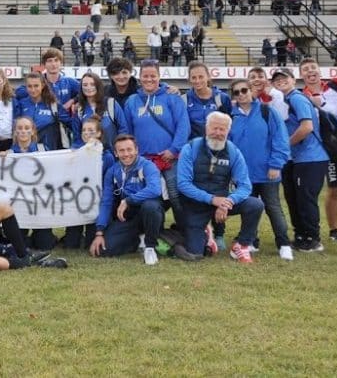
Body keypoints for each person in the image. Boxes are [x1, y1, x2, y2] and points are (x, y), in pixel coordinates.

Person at [176, 113, 264, 262]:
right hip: (195, 205)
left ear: (228, 131)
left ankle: (242, 245)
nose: (217, 133)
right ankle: (207, 234)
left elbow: (245, 185)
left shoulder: (234, 152)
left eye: (222, 129)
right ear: (206, 128)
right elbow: (183, 184)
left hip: (222, 201)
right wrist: (212, 199)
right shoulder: (190, 148)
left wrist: (228, 202)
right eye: (214, 128)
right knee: (195, 254)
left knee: (255, 204)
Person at [227, 79, 294, 259]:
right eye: (236, 92)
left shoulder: (267, 111)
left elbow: (280, 138)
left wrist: (276, 164)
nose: (241, 94)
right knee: (249, 209)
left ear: (251, 90)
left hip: (267, 172)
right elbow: (229, 146)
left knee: (273, 208)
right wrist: (232, 171)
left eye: (244, 90)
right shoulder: (231, 117)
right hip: (244, 174)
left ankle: (284, 244)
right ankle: (250, 241)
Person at [123, 61, 190, 226]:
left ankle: (185, 230)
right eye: (145, 76)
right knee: (150, 197)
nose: (149, 79)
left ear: (159, 76)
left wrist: (173, 150)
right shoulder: (132, 101)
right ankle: (152, 230)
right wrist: (133, 155)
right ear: (139, 77)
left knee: (176, 195)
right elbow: (128, 132)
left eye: (153, 76)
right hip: (144, 160)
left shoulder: (172, 97)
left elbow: (183, 125)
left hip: (170, 158)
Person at [271, 67, 330, 252]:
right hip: (300, 158)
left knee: (305, 199)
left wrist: (285, 145)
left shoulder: (296, 98)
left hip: (310, 157)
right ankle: (302, 235)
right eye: (277, 79)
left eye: (284, 77)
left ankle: (312, 239)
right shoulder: (288, 99)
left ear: (293, 79)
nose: (281, 81)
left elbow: (307, 127)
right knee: (297, 198)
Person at [89, 135, 164, 264]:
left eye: (129, 149)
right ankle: (137, 240)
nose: (126, 154)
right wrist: (99, 232)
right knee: (103, 250)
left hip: (150, 213)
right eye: (121, 151)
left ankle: (150, 247)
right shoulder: (112, 171)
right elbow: (106, 201)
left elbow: (155, 189)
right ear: (116, 153)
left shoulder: (148, 165)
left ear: (136, 150)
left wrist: (128, 200)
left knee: (150, 206)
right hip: (128, 216)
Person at [300, 56, 337, 243]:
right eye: (306, 69)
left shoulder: (336, 87)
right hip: (330, 151)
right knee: (334, 189)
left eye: (313, 67)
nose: (310, 71)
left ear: (320, 70)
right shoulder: (301, 97)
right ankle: (334, 231)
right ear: (301, 75)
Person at [14, 71, 70, 151]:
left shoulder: (53, 105)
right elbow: (15, 127)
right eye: (29, 86)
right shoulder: (21, 104)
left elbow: (70, 123)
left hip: (48, 152)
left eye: (36, 86)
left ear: (42, 85)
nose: (33, 90)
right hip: (26, 152)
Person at [184, 61, 231, 139]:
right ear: (189, 79)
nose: (197, 81)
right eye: (194, 78)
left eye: (201, 77)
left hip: (217, 143)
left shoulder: (222, 98)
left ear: (208, 77)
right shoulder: (184, 100)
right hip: (194, 144)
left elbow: (230, 125)